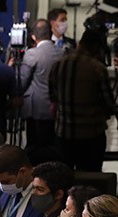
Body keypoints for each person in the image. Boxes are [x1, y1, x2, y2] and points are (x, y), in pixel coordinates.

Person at [49, 29, 116, 172]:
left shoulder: (58, 65)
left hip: (63, 134)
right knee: (90, 179)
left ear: (81, 42)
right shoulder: (97, 68)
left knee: (64, 176)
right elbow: (108, 103)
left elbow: (52, 97)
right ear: (96, 47)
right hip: (91, 135)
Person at [18, 19, 63, 151]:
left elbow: (22, 82)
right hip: (57, 108)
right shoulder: (62, 52)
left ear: (33, 36)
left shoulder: (32, 54)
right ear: (50, 33)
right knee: (53, 147)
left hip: (36, 110)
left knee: (35, 148)